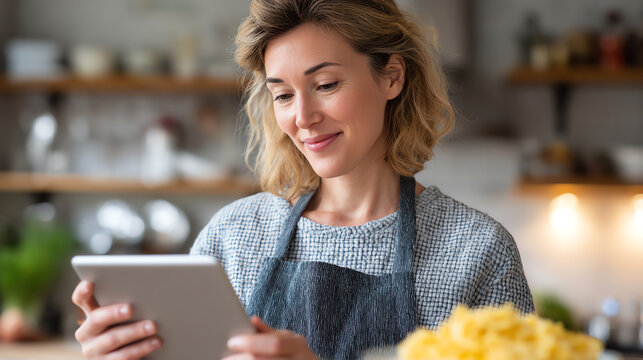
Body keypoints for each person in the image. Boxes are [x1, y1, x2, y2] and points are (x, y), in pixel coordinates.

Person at [72, 0, 534, 359]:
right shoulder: (233, 237)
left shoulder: (477, 251)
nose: (303, 118)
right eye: (284, 95)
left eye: (327, 84)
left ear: (391, 76)